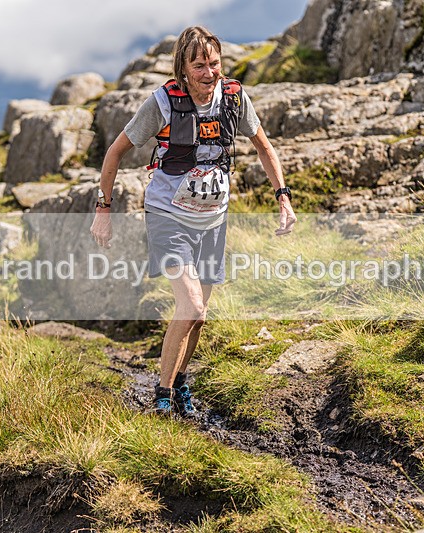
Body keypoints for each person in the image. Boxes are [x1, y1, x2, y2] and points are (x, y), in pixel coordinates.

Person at [90, 26, 296, 416]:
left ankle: (181, 386)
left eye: (214, 63)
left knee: (198, 318)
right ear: (183, 70)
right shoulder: (163, 103)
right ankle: (163, 399)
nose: (209, 73)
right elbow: (114, 152)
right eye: (199, 65)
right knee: (192, 306)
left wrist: (282, 198)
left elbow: (265, 149)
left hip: (213, 219)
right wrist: (104, 209)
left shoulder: (234, 98)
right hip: (168, 215)